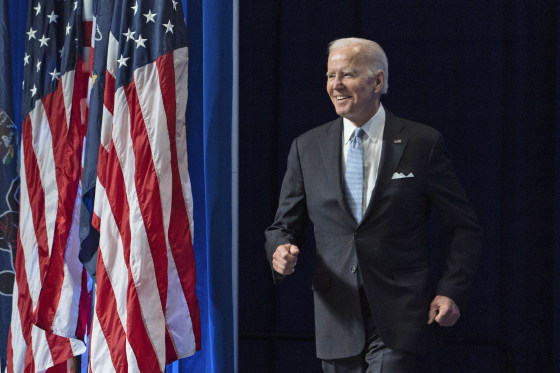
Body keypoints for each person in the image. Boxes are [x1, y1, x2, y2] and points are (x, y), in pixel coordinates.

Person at [264, 37, 482, 372]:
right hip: (337, 315)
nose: (335, 85)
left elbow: (464, 228)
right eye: (329, 75)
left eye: (347, 75)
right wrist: (280, 250)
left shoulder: (422, 143)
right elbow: (283, 226)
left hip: (401, 316)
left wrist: (450, 291)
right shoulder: (306, 147)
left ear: (377, 81)